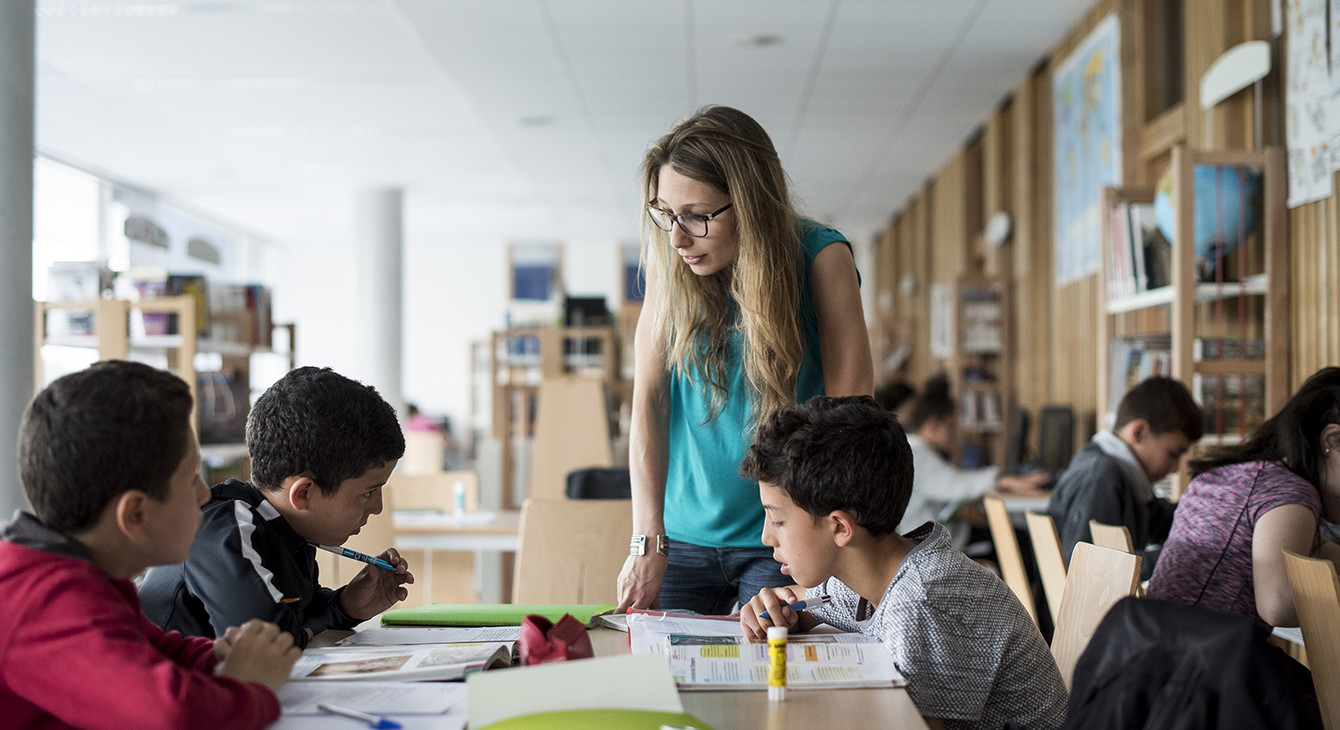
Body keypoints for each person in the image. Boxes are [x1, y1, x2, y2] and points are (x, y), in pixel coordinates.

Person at [616, 105, 874, 614]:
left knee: (768, 683)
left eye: (697, 215)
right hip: (680, 542)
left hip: (780, 541)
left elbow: (852, 416)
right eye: (666, 213)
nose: (677, 237)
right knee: (664, 684)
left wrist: (825, 553)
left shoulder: (821, 259)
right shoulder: (673, 269)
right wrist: (646, 541)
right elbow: (648, 405)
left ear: (752, 203)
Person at [739, 396, 1067, 730]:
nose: (767, 537)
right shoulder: (883, 572)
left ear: (840, 527)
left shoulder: (920, 599)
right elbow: (813, 603)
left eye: (777, 521)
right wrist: (781, 609)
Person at [1, 361, 299, 728]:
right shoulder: (44, 600)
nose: (205, 494)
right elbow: (171, 716)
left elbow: (152, 651)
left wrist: (220, 655)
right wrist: (248, 686)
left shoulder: (84, 575)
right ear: (136, 515)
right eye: (192, 481)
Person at [140, 366, 413, 648]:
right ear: (304, 493)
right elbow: (269, 646)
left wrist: (343, 606)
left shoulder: (290, 526)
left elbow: (292, 612)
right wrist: (326, 616)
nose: (378, 507)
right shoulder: (222, 529)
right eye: (369, 492)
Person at [1148, 366, 1340, 629]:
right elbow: (1278, 607)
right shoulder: (1290, 493)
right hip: (1201, 659)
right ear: (1334, 439)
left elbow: (1316, 550)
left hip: (1156, 646)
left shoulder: (1236, 474)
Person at [1047, 377, 1202, 579]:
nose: (1174, 468)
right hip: (1086, 607)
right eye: (1173, 453)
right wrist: (1184, 559)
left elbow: (1162, 521)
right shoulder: (1101, 477)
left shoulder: (1115, 470)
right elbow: (1091, 568)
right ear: (1139, 432)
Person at [899, 374, 1051, 544]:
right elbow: (958, 485)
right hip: (942, 544)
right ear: (933, 424)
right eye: (951, 426)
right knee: (1021, 541)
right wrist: (1002, 480)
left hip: (940, 536)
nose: (955, 434)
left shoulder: (914, 449)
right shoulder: (917, 455)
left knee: (1014, 535)